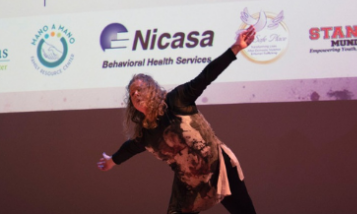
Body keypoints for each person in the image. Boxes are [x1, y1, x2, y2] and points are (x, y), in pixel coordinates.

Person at [97, 27, 259, 214]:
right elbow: (130, 147)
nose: (136, 94)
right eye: (132, 94)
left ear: (152, 89)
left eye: (140, 89)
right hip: (190, 185)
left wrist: (236, 48)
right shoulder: (147, 133)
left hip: (218, 168)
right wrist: (112, 161)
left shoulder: (177, 100)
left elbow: (206, 76)